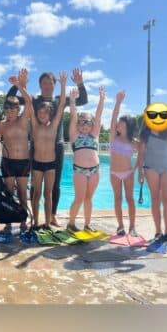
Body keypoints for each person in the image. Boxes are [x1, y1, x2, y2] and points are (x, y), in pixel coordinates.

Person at [7, 68, 88, 226]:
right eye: (44, 82)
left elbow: (83, 100)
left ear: (54, 85)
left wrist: (80, 84)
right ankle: (34, 217)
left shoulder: (60, 100)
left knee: (55, 184)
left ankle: (52, 215)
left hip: (57, 146)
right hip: (37, 146)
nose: (47, 85)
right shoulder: (34, 100)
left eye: (50, 82)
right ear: (40, 85)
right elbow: (10, 99)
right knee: (35, 184)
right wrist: (17, 84)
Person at [13, 71, 67, 229]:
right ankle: (36, 222)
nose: (42, 115)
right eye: (39, 113)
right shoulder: (35, 126)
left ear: (51, 115)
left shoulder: (54, 126)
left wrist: (63, 85)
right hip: (37, 164)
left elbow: (61, 104)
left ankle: (48, 222)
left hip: (51, 165)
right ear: (36, 114)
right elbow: (28, 101)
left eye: (45, 113)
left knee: (48, 194)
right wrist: (19, 85)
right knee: (36, 194)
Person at [0, 69, 31, 232]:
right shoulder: (1, 125)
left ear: (18, 109)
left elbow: (28, 101)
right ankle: (8, 221)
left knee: (22, 192)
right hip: (7, 162)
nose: (10, 112)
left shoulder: (23, 120)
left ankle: (23, 220)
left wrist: (19, 85)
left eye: (13, 109)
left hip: (23, 162)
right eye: (7, 110)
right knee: (8, 192)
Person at [67, 86, 105, 233]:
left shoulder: (94, 135)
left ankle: (87, 224)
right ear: (77, 125)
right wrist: (72, 101)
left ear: (92, 124)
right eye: (81, 122)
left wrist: (101, 99)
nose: (84, 125)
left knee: (89, 198)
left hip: (95, 170)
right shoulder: (74, 135)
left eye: (88, 122)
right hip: (80, 171)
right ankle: (71, 223)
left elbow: (99, 116)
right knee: (79, 198)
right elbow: (73, 116)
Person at [109, 91, 139, 236]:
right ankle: (120, 226)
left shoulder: (133, 142)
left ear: (128, 126)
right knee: (118, 199)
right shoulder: (113, 137)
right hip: (114, 173)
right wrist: (118, 102)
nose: (117, 125)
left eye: (120, 124)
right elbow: (113, 117)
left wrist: (136, 168)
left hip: (128, 173)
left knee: (130, 199)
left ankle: (132, 227)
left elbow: (143, 154)